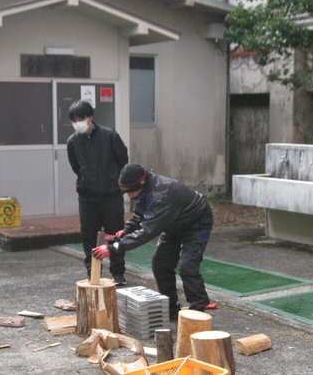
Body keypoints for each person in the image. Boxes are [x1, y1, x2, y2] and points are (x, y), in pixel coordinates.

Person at [92, 163, 215, 319]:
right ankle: (170, 308)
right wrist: (127, 230)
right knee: (160, 264)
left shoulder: (162, 194)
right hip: (172, 223)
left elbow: (147, 231)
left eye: (130, 191)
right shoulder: (143, 190)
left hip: (196, 223)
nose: (129, 195)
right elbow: (139, 215)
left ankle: (199, 308)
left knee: (187, 265)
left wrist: (114, 248)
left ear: (141, 183)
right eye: (126, 192)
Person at [66, 100, 129, 285]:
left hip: (111, 195)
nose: (77, 122)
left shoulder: (109, 136)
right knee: (89, 237)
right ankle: (93, 273)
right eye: (74, 120)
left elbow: (123, 160)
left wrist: (114, 181)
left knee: (115, 235)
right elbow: (76, 166)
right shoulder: (72, 141)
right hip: (87, 197)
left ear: (90, 117)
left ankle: (118, 273)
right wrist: (86, 178)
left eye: (81, 118)